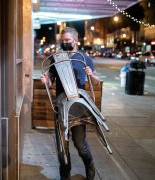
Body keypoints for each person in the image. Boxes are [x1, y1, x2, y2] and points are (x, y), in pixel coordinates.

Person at [40, 27, 100, 180]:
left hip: (78, 106)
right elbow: (50, 79)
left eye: (67, 40)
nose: (65, 43)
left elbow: (96, 82)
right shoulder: (57, 58)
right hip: (61, 105)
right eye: (63, 41)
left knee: (80, 144)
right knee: (62, 147)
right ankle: (65, 175)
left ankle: (90, 165)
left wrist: (91, 75)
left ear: (76, 41)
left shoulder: (84, 59)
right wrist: (46, 80)